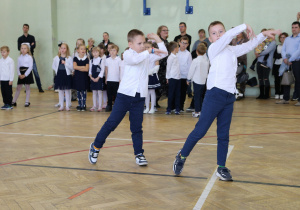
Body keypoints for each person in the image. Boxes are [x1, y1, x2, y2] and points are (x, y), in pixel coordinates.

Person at [172, 21, 281, 181]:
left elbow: (250, 45)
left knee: (223, 135)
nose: (219, 35)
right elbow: (229, 36)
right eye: (214, 33)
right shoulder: (213, 48)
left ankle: (221, 167)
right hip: (214, 95)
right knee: (200, 131)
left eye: (221, 31)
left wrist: (263, 35)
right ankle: (181, 156)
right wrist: (244, 25)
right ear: (210, 38)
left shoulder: (231, 50)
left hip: (229, 97)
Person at [88, 30, 167, 166]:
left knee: (136, 127)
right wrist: (150, 51)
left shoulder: (146, 56)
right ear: (130, 44)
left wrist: (157, 39)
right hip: (124, 96)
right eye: (139, 43)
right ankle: (95, 147)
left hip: (139, 97)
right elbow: (136, 60)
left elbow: (164, 53)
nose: (143, 45)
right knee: (111, 124)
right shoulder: (128, 54)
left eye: (144, 43)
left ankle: (139, 153)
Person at [277, 21, 300, 106]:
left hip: (297, 62)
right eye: (292, 27)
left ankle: (299, 99)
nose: (294, 29)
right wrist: (285, 58)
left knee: (298, 80)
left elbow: (299, 51)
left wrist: (291, 59)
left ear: (299, 28)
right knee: (286, 80)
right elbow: (283, 49)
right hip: (286, 62)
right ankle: (285, 99)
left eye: (296, 27)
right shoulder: (287, 39)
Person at [17, 24, 44, 92]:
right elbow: (19, 48)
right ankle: (26, 88)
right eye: (24, 28)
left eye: (26, 28)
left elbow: (34, 46)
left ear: (28, 29)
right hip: (23, 58)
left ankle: (40, 87)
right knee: (25, 72)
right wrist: (29, 45)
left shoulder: (32, 37)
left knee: (35, 72)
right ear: (23, 29)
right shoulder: (20, 38)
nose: (25, 29)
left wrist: (27, 46)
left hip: (31, 56)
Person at [187, 43, 209, 118]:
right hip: (203, 81)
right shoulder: (206, 61)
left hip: (197, 81)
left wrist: (188, 79)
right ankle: (202, 110)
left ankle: (197, 111)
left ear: (196, 51)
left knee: (197, 96)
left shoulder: (195, 61)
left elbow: (191, 71)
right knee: (201, 96)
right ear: (205, 52)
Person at [144, 41, 164, 114]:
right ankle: (146, 107)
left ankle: (152, 107)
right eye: (145, 47)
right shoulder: (143, 56)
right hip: (145, 76)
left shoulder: (155, 56)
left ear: (152, 48)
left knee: (152, 92)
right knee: (146, 93)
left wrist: (151, 71)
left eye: (148, 47)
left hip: (152, 75)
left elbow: (157, 67)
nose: (146, 48)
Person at [255, 29, 276, 99]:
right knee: (260, 79)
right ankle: (261, 94)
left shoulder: (273, 43)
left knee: (266, 78)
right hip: (259, 62)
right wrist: (256, 52)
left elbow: (267, 51)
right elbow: (256, 49)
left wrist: (259, 53)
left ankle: (266, 95)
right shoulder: (263, 42)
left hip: (267, 63)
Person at [52, 43, 73, 111]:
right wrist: (57, 71)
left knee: (67, 91)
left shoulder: (69, 58)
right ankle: (61, 105)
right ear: (59, 49)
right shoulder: (56, 58)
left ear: (67, 50)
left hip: (67, 75)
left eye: (64, 48)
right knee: (60, 91)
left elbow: (72, 67)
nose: (63, 50)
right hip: (60, 75)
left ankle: (67, 105)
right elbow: (53, 66)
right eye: (61, 48)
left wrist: (65, 63)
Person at [230, 31, 249, 99]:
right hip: (234, 62)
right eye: (236, 33)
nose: (237, 34)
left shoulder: (244, 40)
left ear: (242, 33)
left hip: (242, 61)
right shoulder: (233, 40)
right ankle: (235, 92)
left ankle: (242, 92)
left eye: (239, 33)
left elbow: (247, 40)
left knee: (242, 77)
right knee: (233, 77)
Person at [156, 25, 169, 109]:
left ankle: (156, 101)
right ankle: (154, 102)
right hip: (159, 67)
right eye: (164, 30)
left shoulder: (167, 42)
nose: (166, 31)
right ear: (160, 32)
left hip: (166, 67)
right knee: (158, 86)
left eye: (167, 30)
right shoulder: (157, 43)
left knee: (164, 86)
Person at [105, 44, 121, 112]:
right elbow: (106, 70)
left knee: (116, 94)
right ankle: (109, 105)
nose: (112, 52)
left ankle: (116, 106)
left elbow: (120, 70)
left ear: (117, 52)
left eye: (114, 50)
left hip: (116, 80)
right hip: (109, 79)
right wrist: (106, 78)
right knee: (109, 94)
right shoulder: (107, 60)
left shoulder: (119, 59)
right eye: (111, 50)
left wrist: (120, 79)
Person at [177, 36, 192, 111]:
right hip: (176, 76)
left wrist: (188, 78)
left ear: (188, 44)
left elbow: (190, 66)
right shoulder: (176, 52)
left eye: (185, 43)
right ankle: (175, 106)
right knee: (176, 92)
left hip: (184, 76)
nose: (183, 45)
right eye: (182, 43)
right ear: (179, 43)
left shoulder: (188, 54)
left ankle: (181, 107)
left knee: (183, 93)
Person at [73, 44, 89, 111]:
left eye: (84, 49)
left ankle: (84, 105)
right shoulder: (75, 58)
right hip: (77, 77)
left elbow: (86, 69)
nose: (83, 50)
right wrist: (82, 67)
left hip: (84, 77)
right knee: (78, 91)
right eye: (81, 49)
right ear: (78, 50)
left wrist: (79, 68)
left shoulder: (86, 59)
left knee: (84, 91)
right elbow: (74, 67)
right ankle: (79, 104)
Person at [165, 41, 180, 115]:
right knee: (171, 94)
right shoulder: (170, 58)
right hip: (172, 78)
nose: (178, 48)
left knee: (177, 94)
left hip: (177, 78)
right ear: (175, 49)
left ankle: (177, 108)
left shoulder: (176, 56)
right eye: (178, 47)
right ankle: (169, 109)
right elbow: (168, 68)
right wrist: (167, 77)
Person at [273, 33, 288, 100]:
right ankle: (277, 93)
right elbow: (274, 55)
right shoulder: (277, 46)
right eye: (281, 37)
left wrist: (280, 55)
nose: (282, 38)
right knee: (277, 80)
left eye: (284, 37)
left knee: (283, 80)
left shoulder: (288, 46)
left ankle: (282, 93)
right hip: (276, 64)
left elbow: (288, 55)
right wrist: (281, 55)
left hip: (284, 65)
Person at [89, 46, 105, 112]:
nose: (95, 53)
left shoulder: (101, 60)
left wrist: (98, 78)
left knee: (99, 92)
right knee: (94, 92)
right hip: (93, 78)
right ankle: (94, 105)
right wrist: (91, 77)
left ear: (99, 53)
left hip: (99, 78)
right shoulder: (91, 61)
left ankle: (99, 106)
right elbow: (90, 70)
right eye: (93, 52)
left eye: (96, 52)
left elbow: (102, 70)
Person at [98, 43, 108, 109]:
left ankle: (105, 102)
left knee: (104, 90)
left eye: (101, 49)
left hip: (104, 75)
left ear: (104, 50)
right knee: (98, 90)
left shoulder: (105, 57)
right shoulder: (96, 58)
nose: (100, 50)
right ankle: (99, 103)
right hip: (97, 76)